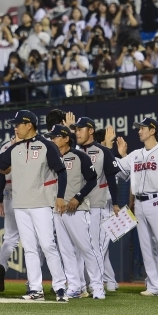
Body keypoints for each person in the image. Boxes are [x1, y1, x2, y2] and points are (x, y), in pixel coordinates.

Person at [0, 110, 69, 301]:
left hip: (41, 204)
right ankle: (35, 289)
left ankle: (60, 287)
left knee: (47, 245)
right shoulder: (15, 148)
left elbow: (61, 171)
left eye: (18, 123)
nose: (15, 127)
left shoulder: (47, 145)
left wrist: (60, 197)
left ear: (29, 125)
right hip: (20, 205)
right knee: (29, 248)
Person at [115, 117, 158, 297]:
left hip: (157, 201)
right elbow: (118, 171)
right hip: (139, 204)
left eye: (143, 128)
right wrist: (120, 154)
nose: (139, 131)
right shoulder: (136, 154)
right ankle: (154, 286)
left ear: (153, 130)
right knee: (146, 246)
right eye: (138, 128)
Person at [45, 124, 105, 300]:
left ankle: (97, 286)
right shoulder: (51, 158)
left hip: (76, 209)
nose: (52, 140)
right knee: (65, 250)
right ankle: (75, 286)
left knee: (86, 248)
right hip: (58, 210)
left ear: (65, 138)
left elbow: (92, 180)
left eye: (55, 137)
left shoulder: (80, 156)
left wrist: (78, 198)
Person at [73, 117, 120, 291]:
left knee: (96, 246)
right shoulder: (73, 151)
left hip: (96, 204)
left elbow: (111, 178)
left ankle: (97, 284)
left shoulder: (103, 151)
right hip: (76, 206)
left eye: (80, 129)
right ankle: (80, 284)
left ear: (90, 130)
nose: (77, 132)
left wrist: (115, 203)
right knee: (78, 247)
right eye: (76, 129)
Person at [0, 136, 20, 292]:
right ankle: (33, 283)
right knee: (35, 241)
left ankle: (1, 264)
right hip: (30, 194)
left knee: (10, 237)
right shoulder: (36, 144)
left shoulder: (4, 147)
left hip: (8, 194)